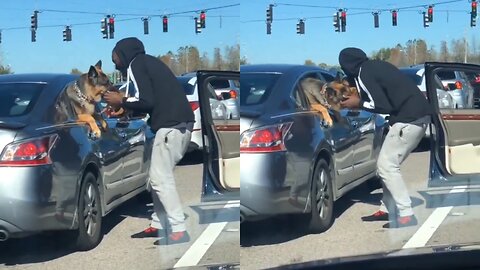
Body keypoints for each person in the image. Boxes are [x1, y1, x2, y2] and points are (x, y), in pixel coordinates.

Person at [104, 37, 195, 245]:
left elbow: (147, 101)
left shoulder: (137, 64)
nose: (114, 63)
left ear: (124, 53)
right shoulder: (148, 63)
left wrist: (122, 100)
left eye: (115, 57)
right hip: (178, 125)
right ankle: (159, 223)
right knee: (156, 178)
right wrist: (126, 109)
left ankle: (179, 229)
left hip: (170, 127)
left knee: (159, 179)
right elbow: (151, 101)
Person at [338, 47, 431, 228]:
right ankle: (387, 209)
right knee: (388, 166)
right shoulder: (375, 66)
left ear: (347, 65)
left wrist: (357, 103)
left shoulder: (365, 73)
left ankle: (406, 215)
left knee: (386, 166)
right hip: (417, 118)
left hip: (408, 120)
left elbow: (381, 104)